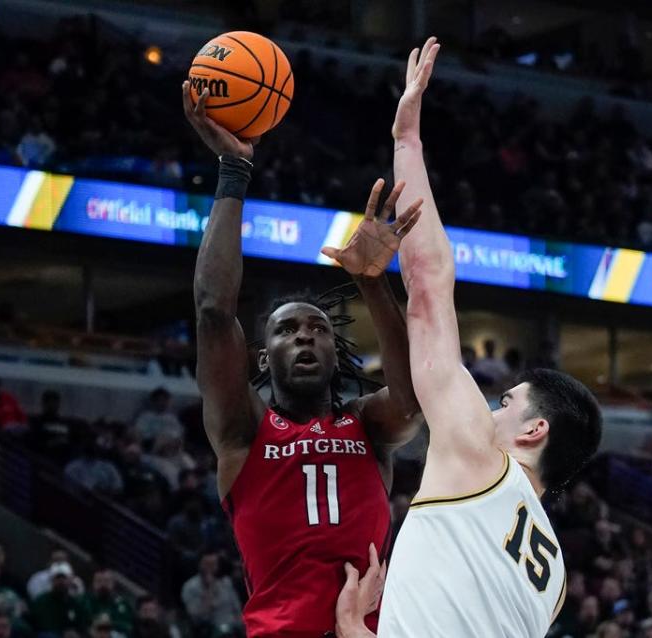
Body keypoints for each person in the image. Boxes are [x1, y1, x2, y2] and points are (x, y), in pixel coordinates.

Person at [335, 37, 602, 638]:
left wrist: (407, 142)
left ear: (535, 431)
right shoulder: (554, 578)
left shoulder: (480, 457)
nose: (487, 405)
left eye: (505, 402)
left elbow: (429, 284)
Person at [183, 76, 424, 637]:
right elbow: (214, 312)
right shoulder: (243, 432)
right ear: (264, 359)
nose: (305, 337)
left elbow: (414, 398)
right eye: (287, 330)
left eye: (317, 329)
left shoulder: (367, 426)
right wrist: (233, 175)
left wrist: (371, 284)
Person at [180, 553, 242, 635]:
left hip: (234, 626)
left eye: (213, 564)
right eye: (207, 564)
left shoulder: (226, 581)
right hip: (210, 629)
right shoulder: (190, 587)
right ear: (200, 565)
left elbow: (237, 607)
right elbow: (198, 617)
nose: (210, 568)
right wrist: (209, 589)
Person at [29, 562, 90, 636]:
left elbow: (81, 626)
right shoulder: (40, 601)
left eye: (64, 578)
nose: (61, 582)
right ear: (51, 580)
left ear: (70, 580)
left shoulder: (75, 604)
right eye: (57, 578)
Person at [84, 569, 132, 637]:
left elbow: (128, 626)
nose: (103, 585)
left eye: (106, 581)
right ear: (93, 583)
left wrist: (109, 623)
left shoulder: (123, 603)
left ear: (113, 583)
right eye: (99, 581)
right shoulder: (85, 601)